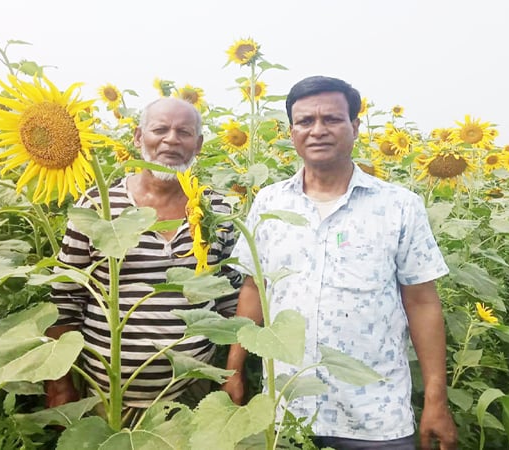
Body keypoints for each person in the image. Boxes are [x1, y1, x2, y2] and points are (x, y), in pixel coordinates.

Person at [223, 76, 457, 450]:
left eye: (331, 119)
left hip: (376, 415)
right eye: (305, 121)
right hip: (287, 410)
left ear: (355, 127)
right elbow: (255, 289)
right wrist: (233, 370)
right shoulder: (269, 203)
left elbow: (422, 302)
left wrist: (436, 399)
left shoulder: (398, 206)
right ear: (291, 131)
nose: (318, 130)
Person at [46, 97, 241, 422]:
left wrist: (233, 373)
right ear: (138, 137)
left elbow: (231, 303)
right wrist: (60, 384)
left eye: (184, 132)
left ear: (199, 144)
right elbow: (65, 299)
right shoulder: (98, 206)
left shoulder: (216, 210)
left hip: (192, 394)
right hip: (108, 394)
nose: (171, 139)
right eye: (160, 129)